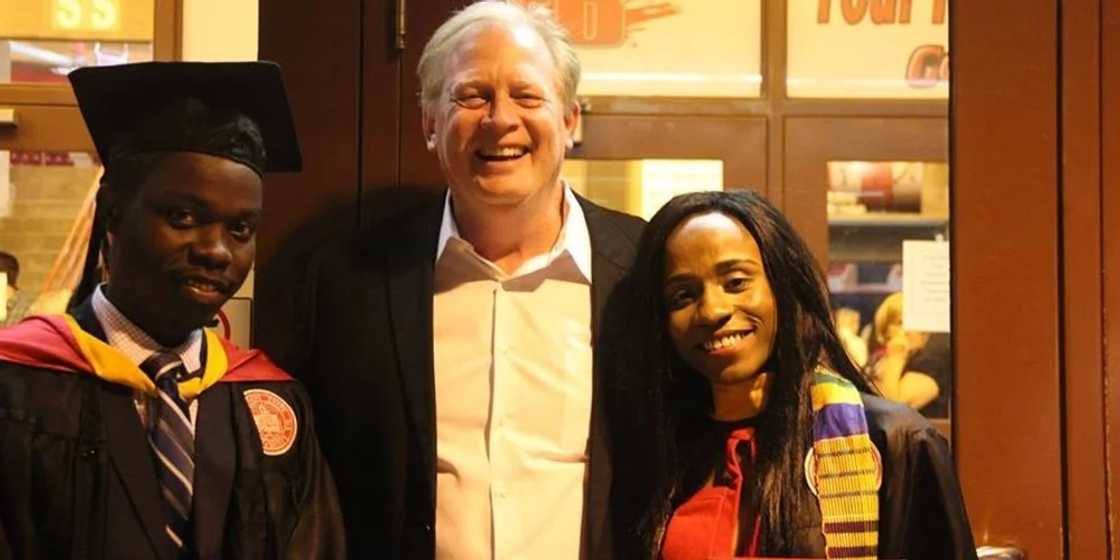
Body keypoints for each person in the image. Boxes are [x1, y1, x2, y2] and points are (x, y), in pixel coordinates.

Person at [289, 2, 644, 558]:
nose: (500, 119)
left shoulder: (645, 270)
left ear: (570, 121)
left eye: (527, 95)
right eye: (473, 95)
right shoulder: (352, 283)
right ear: (430, 125)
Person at [0, 62, 345, 559]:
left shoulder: (269, 402)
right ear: (113, 211)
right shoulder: (17, 383)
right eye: (183, 216)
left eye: (240, 229)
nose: (216, 251)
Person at [606, 191, 976, 559]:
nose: (712, 310)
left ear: (784, 286)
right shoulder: (655, 456)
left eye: (736, 282)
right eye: (683, 295)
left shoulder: (894, 442)